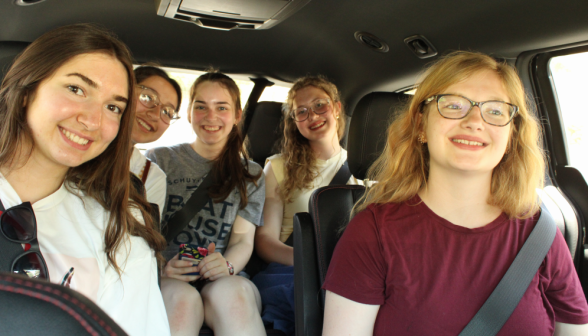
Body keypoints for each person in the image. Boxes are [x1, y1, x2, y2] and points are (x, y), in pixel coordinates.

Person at [322, 51, 588, 335]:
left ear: (511, 137)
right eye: (452, 105)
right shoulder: (372, 233)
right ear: (421, 125)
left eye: (496, 110)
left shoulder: (541, 234)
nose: (475, 120)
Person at [0, 24, 169, 336]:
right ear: (27, 91)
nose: (93, 120)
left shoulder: (120, 233)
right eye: (76, 89)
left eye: (113, 107)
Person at [146, 71, 266, 336]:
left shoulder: (251, 174)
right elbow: (142, 232)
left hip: (221, 276)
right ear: (189, 113)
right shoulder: (160, 159)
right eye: (201, 107)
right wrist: (161, 269)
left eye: (221, 108)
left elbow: (242, 241)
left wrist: (228, 266)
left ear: (236, 116)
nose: (211, 117)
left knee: (234, 296)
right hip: (168, 275)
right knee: (182, 302)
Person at [252, 76, 358, 335]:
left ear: (336, 108)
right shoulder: (277, 167)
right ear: (294, 121)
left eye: (320, 105)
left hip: (350, 273)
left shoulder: (365, 169)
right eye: (301, 111)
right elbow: (266, 242)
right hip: (292, 271)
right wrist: (314, 263)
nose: (313, 115)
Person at [129, 65, 182, 218]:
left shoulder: (152, 177)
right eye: (147, 98)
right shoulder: (77, 148)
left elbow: (142, 238)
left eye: (167, 112)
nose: (154, 114)